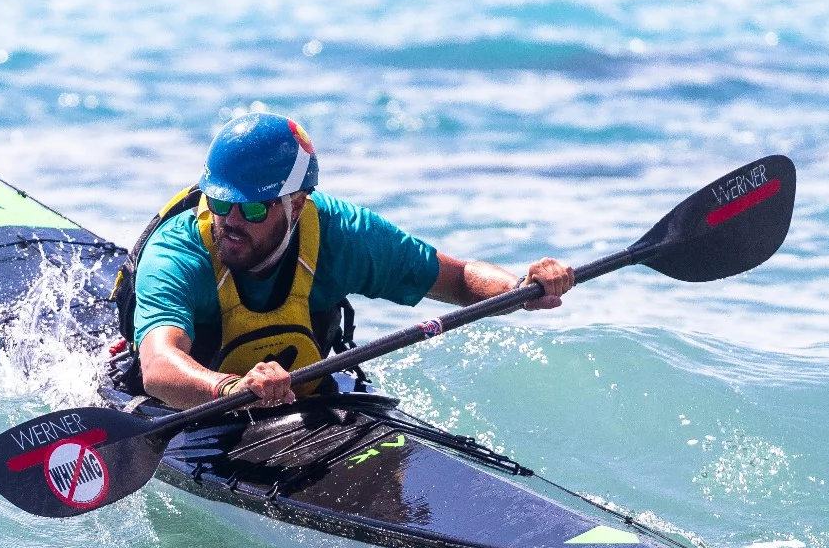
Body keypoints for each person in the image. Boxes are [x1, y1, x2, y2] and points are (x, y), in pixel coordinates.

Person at [114, 112, 575, 409]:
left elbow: (458, 279)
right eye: (220, 202)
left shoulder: (342, 234)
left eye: (253, 208)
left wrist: (519, 289)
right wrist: (231, 389)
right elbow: (158, 366)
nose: (231, 220)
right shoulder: (178, 252)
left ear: (297, 203)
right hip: (191, 406)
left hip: (306, 402)